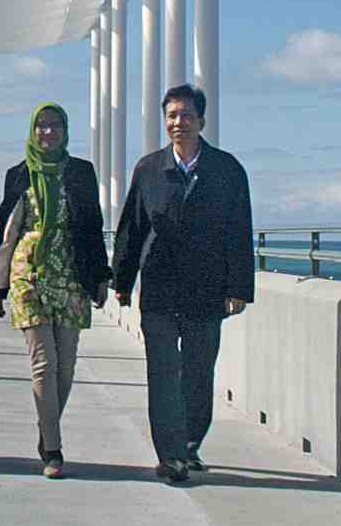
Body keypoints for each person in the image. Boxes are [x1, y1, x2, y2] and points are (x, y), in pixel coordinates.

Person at [111, 84, 255, 483]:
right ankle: (170, 455)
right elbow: (132, 229)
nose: (178, 123)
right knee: (162, 373)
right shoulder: (149, 169)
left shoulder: (227, 170)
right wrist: (122, 280)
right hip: (158, 287)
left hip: (206, 288)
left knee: (197, 372)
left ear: (201, 121)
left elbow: (239, 230)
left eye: (186, 116)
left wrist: (239, 286)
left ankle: (190, 444)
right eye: (172, 116)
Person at [0, 102, 111, 479]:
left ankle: (46, 429)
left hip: (71, 273)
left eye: (54, 125)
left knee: (66, 364)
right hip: (31, 273)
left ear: (65, 130)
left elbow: (92, 225)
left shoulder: (81, 173)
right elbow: (1, 230)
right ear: (32, 130)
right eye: (41, 126)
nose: (47, 132)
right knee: (44, 362)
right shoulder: (19, 173)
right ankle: (54, 450)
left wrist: (102, 275)